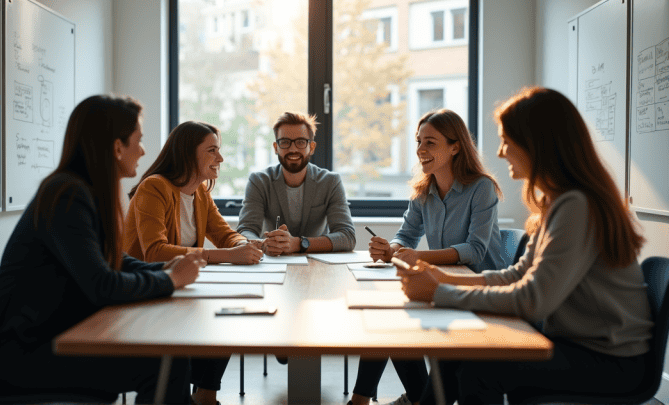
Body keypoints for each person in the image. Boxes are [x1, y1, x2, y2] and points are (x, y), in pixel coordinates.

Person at [399, 87, 653, 405]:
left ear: (537, 144)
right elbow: (516, 275)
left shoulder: (576, 205)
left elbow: (533, 300)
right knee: (458, 350)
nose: (501, 151)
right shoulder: (558, 202)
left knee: (479, 371)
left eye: (507, 140)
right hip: (580, 345)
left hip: (611, 361)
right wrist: (443, 280)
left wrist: (438, 292)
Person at [0, 95, 204, 404]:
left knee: (169, 358)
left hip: (44, 338)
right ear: (117, 147)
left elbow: (113, 260)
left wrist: (165, 269)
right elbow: (102, 284)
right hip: (22, 353)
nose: (144, 150)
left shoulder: (80, 190)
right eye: (139, 140)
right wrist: (170, 280)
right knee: (165, 362)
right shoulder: (67, 195)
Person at [349, 109, 505, 405]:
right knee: (388, 320)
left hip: (479, 292)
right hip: (441, 287)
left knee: (395, 324)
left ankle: (399, 400)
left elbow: (475, 251)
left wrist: (418, 256)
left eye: (430, 142)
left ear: (455, 146)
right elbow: (405, 235)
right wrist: (391, 249)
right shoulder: (424, 190)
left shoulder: (481, 188)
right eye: (419, 142)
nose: (421, 150)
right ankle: (368, 400)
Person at [124, 120, 263, 405]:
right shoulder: (154, 188)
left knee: (228, 312)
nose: (220, 159)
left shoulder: (200, 192)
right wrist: (226, 256)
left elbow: (225, 235)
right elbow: (154, 252)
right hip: (147, 292)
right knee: (217, 317)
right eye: (212, 150)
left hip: (181, 288)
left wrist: (245, 245)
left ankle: (205, 397)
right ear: (188, 154)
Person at [237, 111, 356, 256]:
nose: (293, 149)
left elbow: (348, 237)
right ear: (276, 147)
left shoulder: (330, 182)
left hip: (317, 264)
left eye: (300, 142)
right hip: (273, 262)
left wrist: (299, 244)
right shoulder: (259, 181)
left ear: (311, 147)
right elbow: (244, 231)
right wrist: (264, 244)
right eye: (285, 142)